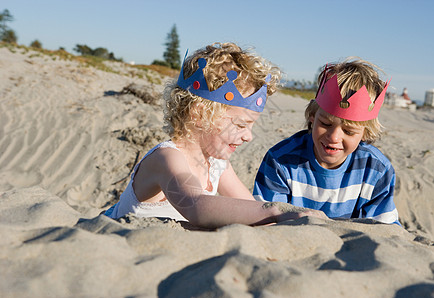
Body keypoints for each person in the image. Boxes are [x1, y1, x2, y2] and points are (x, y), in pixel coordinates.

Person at [104, 42, 328, 228]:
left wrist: (278, 220)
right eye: (241, 125)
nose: (248, 136)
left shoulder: (217, 163)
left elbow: (249, 206)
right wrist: (278, 211)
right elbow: (196, 206)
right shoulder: (166, 159)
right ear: (200, 114)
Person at [253, 58, 400, 225]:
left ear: (365, 134)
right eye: (325, 124)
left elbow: (384, 229)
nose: (334, 137)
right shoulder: (280, 160)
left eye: (349, 131)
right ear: (312, 117)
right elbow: (265, 220)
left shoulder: (376, 170)